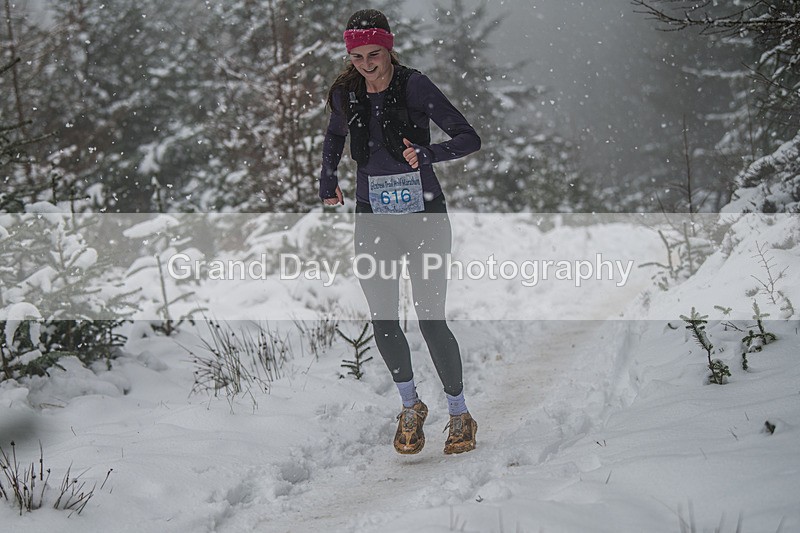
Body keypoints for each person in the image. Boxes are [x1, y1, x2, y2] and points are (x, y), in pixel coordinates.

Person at [319, 9, 481, 455]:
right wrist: (327, 177)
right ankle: (410, 406)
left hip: (424, 216)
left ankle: (459, 412)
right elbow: (335, 136)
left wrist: (429, 154)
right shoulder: (346, 93)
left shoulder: (414, 86)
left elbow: (468, 138)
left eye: (374, 54)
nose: (366, 65)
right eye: (357, 57)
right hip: (373, 217)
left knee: (430, 319)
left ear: (389, 48)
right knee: (384, 319)